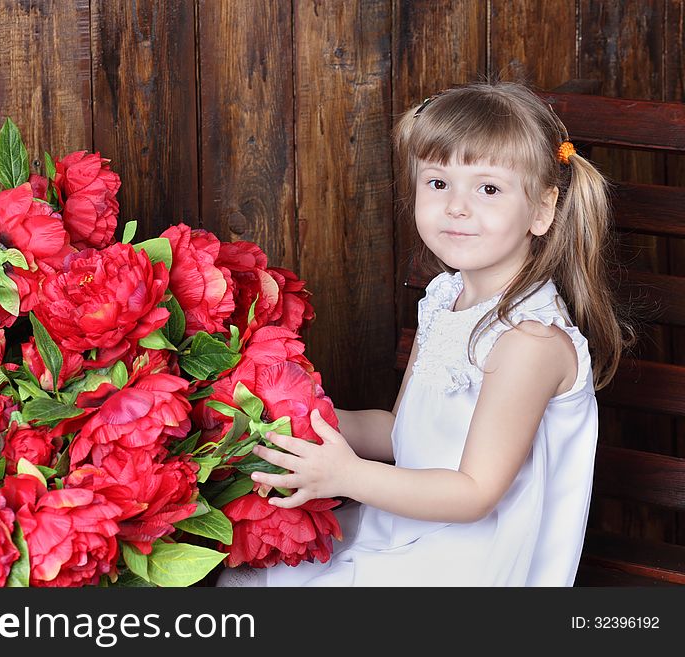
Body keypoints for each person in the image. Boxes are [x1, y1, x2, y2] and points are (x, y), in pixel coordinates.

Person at [216, 80, 633, 587]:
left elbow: (475, 493)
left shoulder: (530, 341)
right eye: (438, 183)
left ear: (542, 210)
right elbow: (400, 431)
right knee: (252, 578)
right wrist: (301, 420)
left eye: (488, 188)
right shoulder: (445, 297)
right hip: (403, 523)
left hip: (470, 560)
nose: (457, 206)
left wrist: (346, 476)